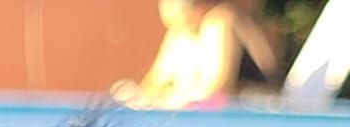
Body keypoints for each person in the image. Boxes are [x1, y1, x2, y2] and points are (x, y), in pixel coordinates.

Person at [113, 0, 279, 108]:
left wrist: (171, 101)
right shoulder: (179, 32)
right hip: (209, 112)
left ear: (199, 8)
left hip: (254, 109)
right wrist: (136, 96)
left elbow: (218, 89)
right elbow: (156, 83)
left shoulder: (221, 21)